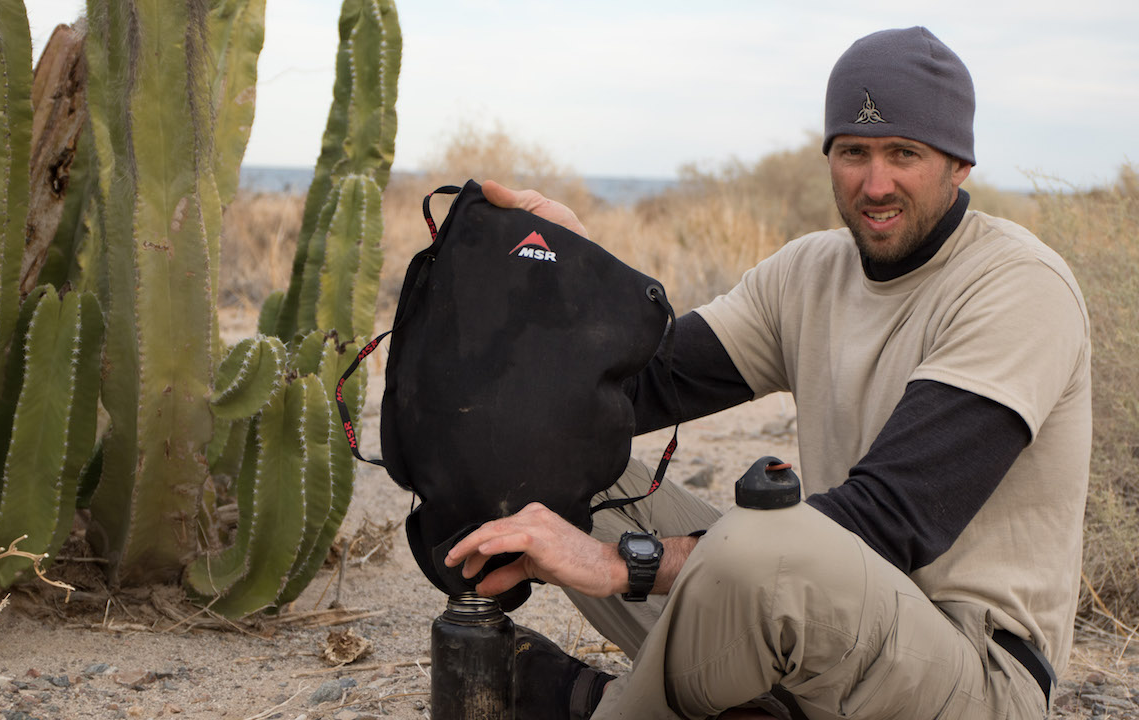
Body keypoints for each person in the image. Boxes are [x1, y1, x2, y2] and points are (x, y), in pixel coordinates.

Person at [445, 26, 1091, 720]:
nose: (876, 184)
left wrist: (619, 563)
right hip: (823, 628)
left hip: (976, 675)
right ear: (829, 158)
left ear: (959, 163)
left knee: (769, 548)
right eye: (854, 153)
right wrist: (573, 276)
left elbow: (888, 520)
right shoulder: (809, 273)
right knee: (568, 459)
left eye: (904, 153)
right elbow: (632, 386)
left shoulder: (1017, 286)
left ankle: (591, 705)